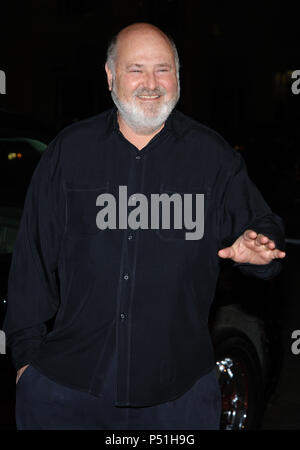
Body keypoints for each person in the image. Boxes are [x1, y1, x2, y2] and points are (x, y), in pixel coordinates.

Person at [3, 22, 286, 430]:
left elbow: (262, 229)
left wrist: (260, 247)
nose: (151, 83)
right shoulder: (70, 151)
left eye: (163, 69)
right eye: (136, 69)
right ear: (110, 75)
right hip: (66, 393)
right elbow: (32, 259)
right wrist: (26, 362)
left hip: (179, 398)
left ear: (177, 76)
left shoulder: (212, 156)